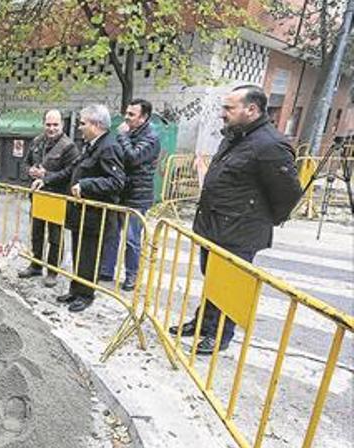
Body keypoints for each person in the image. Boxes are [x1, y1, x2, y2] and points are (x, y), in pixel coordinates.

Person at [173, 85, 301, 354]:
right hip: (215, 226)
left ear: (251, 110)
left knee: (230, 284)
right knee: (213, 279)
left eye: (229, 108)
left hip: (240, 230)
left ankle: (220, 335)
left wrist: (261, 220)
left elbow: (288, 193)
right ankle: (204, 324)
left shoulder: (269, 145)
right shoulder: (235, 136)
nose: (223, 113)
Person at [41, 104, 125, 312]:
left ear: (96, 125)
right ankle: (75, 289)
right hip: (82, 213)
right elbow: (72, 170)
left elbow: (116, 181)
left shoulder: (109, 147)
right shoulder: (92, 145)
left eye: (82, 123)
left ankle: (86, 295)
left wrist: (86, 185)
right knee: (79, 252)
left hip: (96, 215)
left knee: (89, 255)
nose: (79, 127)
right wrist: (47, 180)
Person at [98, 98, 161, 291]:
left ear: (144, 117)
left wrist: (123, 137)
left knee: (132, 239)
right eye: (126, 113)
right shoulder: (130, 132)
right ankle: (106, 271)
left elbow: (133, 158)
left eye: (132, 114)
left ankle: (132, 275)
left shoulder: (151, 137)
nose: (126, 117)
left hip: (138, 196)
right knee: (111, 233)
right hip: (121, 192)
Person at [19, 109, 80, 288]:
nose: (51, 128)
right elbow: (26, 162)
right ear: (43, 124)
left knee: (55, 236)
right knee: (36, 233)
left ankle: (52, 271)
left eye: (55, 125)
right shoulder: (37, 142)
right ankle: (36, 265)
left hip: (56, 197)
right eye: (48, 124)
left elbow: (71, 172)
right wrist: (30, 171)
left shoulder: (69, 147)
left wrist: (46, 177)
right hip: (38, 196)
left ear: (62, 125)